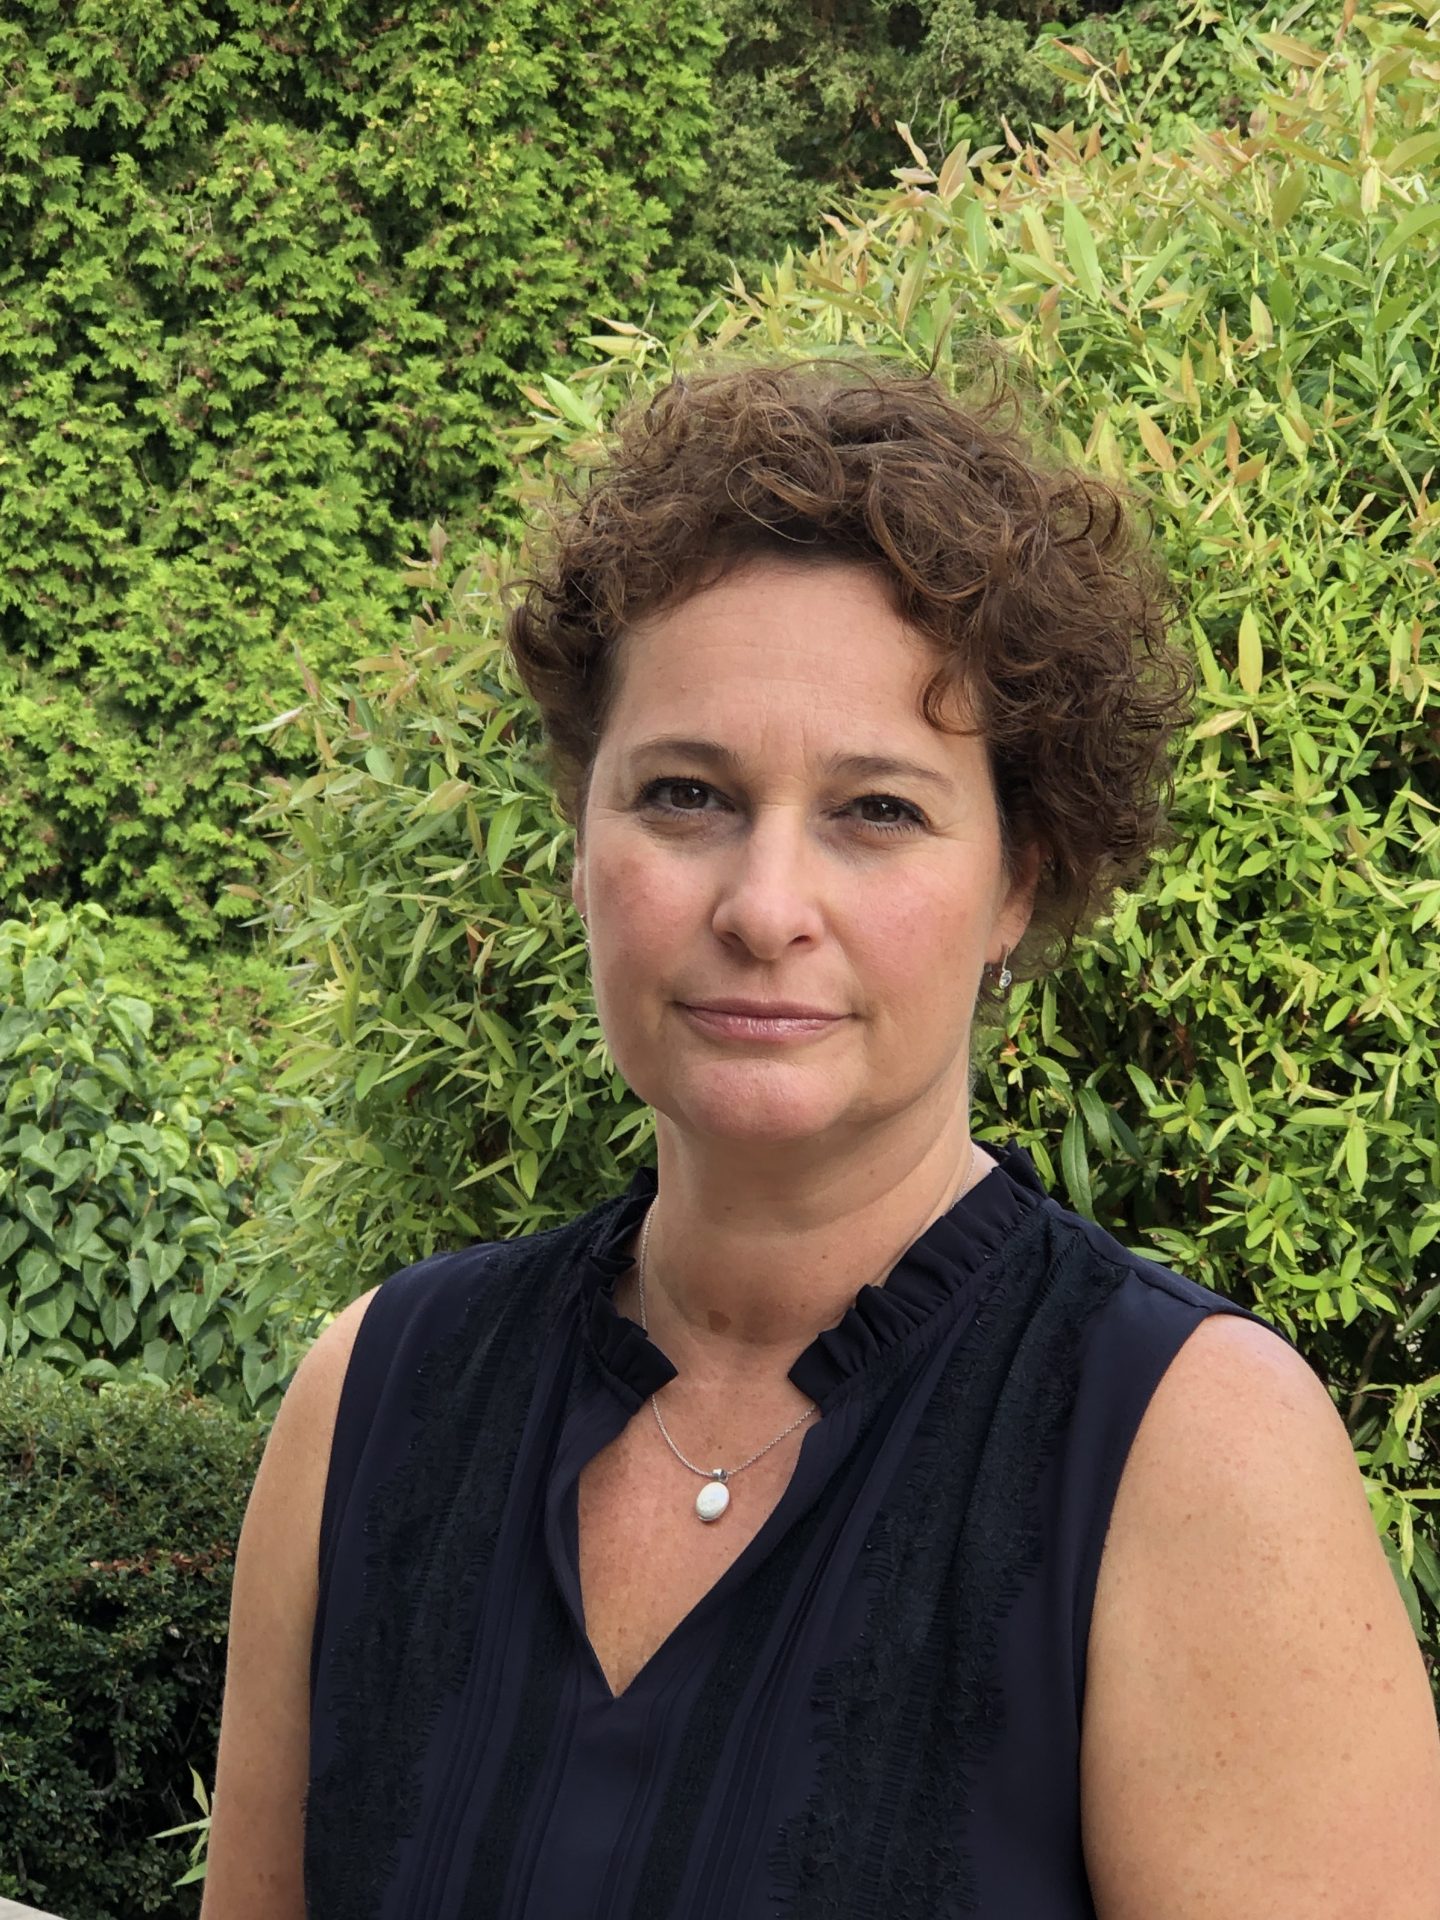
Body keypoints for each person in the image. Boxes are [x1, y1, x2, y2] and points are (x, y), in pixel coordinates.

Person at [201, 359, 1440, 1919]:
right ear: (581, 839)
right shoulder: (375, 1401)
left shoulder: (1190, 1456)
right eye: (685, 794)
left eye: (877, 811)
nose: (764, 906)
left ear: (1017, 882)